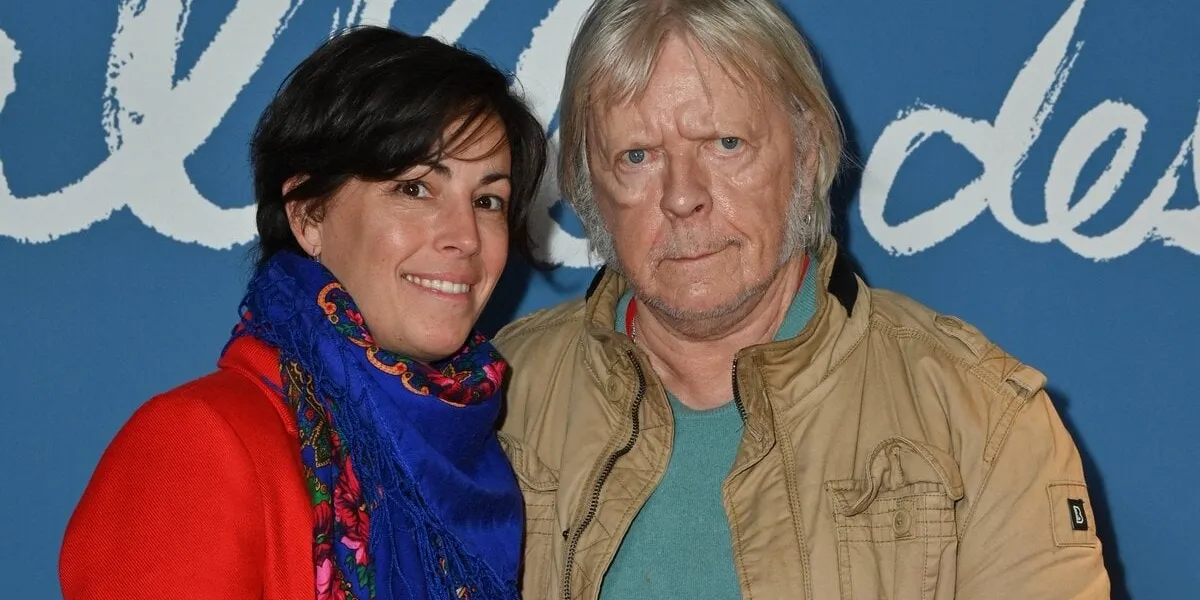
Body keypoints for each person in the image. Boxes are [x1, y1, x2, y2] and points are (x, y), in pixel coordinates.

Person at [494, 0, 1110, 598]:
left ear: (809, 152)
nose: (683, 196)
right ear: (585, 186)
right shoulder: (488, 400)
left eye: (725, 143)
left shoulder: (982, 422)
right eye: (637, 156)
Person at [59, 25, 546, 600]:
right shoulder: (198, 447)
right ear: (308, 216)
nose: (465, 236)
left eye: (488, 200)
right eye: (414, 189)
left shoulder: (485, 465)